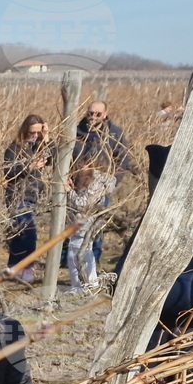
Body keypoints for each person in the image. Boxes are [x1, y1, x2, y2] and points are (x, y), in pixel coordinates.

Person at [74, 101, 135, 265]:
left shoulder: (114, 134)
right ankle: (68, 261)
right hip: (77, 186)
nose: (93, 117)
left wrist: (110, 183)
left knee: (95, 226)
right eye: (90, 113)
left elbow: (123, 161)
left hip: (100, 187)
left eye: (97, 114)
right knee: (74, 225)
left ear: (105, 115)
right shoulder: (76, 132)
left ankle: (94, 257)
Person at [3, 114, 52, 282]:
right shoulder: (13, 149)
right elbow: (9, 173)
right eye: (32, 132)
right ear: (24, 130)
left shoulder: (37, 147)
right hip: (17, 196)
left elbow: (53, 158)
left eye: (38, 132)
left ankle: (13, 268)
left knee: (19, 234)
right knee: (29, 233)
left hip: (32, 196)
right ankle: (27, 269)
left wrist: (46, 138)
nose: (34, 136)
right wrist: (28, 167)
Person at [67, 165, 116, 295]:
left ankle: (79, 287)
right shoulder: (100, 179)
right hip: (88, 221)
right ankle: (91, 282)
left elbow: (82, 203)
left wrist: (68, 191)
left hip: (84, 221)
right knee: (85, 250)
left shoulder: (96, 181)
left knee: (75, 252)